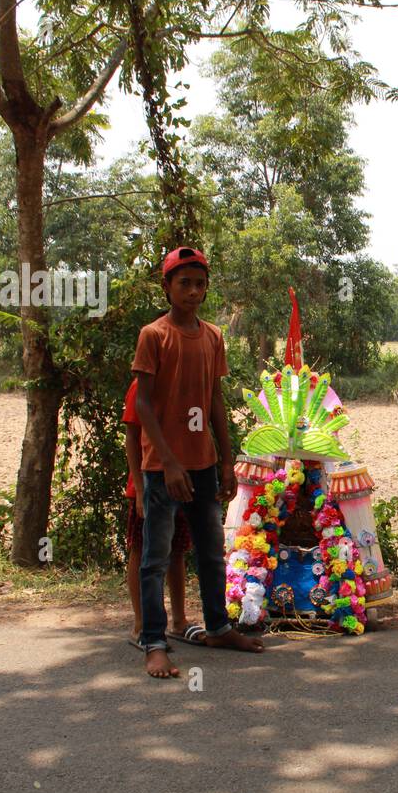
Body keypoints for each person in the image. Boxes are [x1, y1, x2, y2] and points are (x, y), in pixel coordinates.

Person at [131, 246, 264, 678]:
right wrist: (167, 463)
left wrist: (228, 460)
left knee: (210, 552)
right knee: (156, 555)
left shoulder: (212, 337)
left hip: (203, 465)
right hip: (162, 470)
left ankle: (218, 627)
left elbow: (214, 401)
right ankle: (153, 642)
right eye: (183, 283)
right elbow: (144, 406)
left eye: (200, 284)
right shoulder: (154, 335)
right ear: (167, 286)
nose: (192, 291)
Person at [121, 368, 194, 647]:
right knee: (142, 549)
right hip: (148, 483)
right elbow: (131, 436)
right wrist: (139, 489)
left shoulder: (184, 385)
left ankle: (179, 620)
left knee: (176, 550)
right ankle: (141, 624)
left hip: (181, 481)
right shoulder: (140, 386)